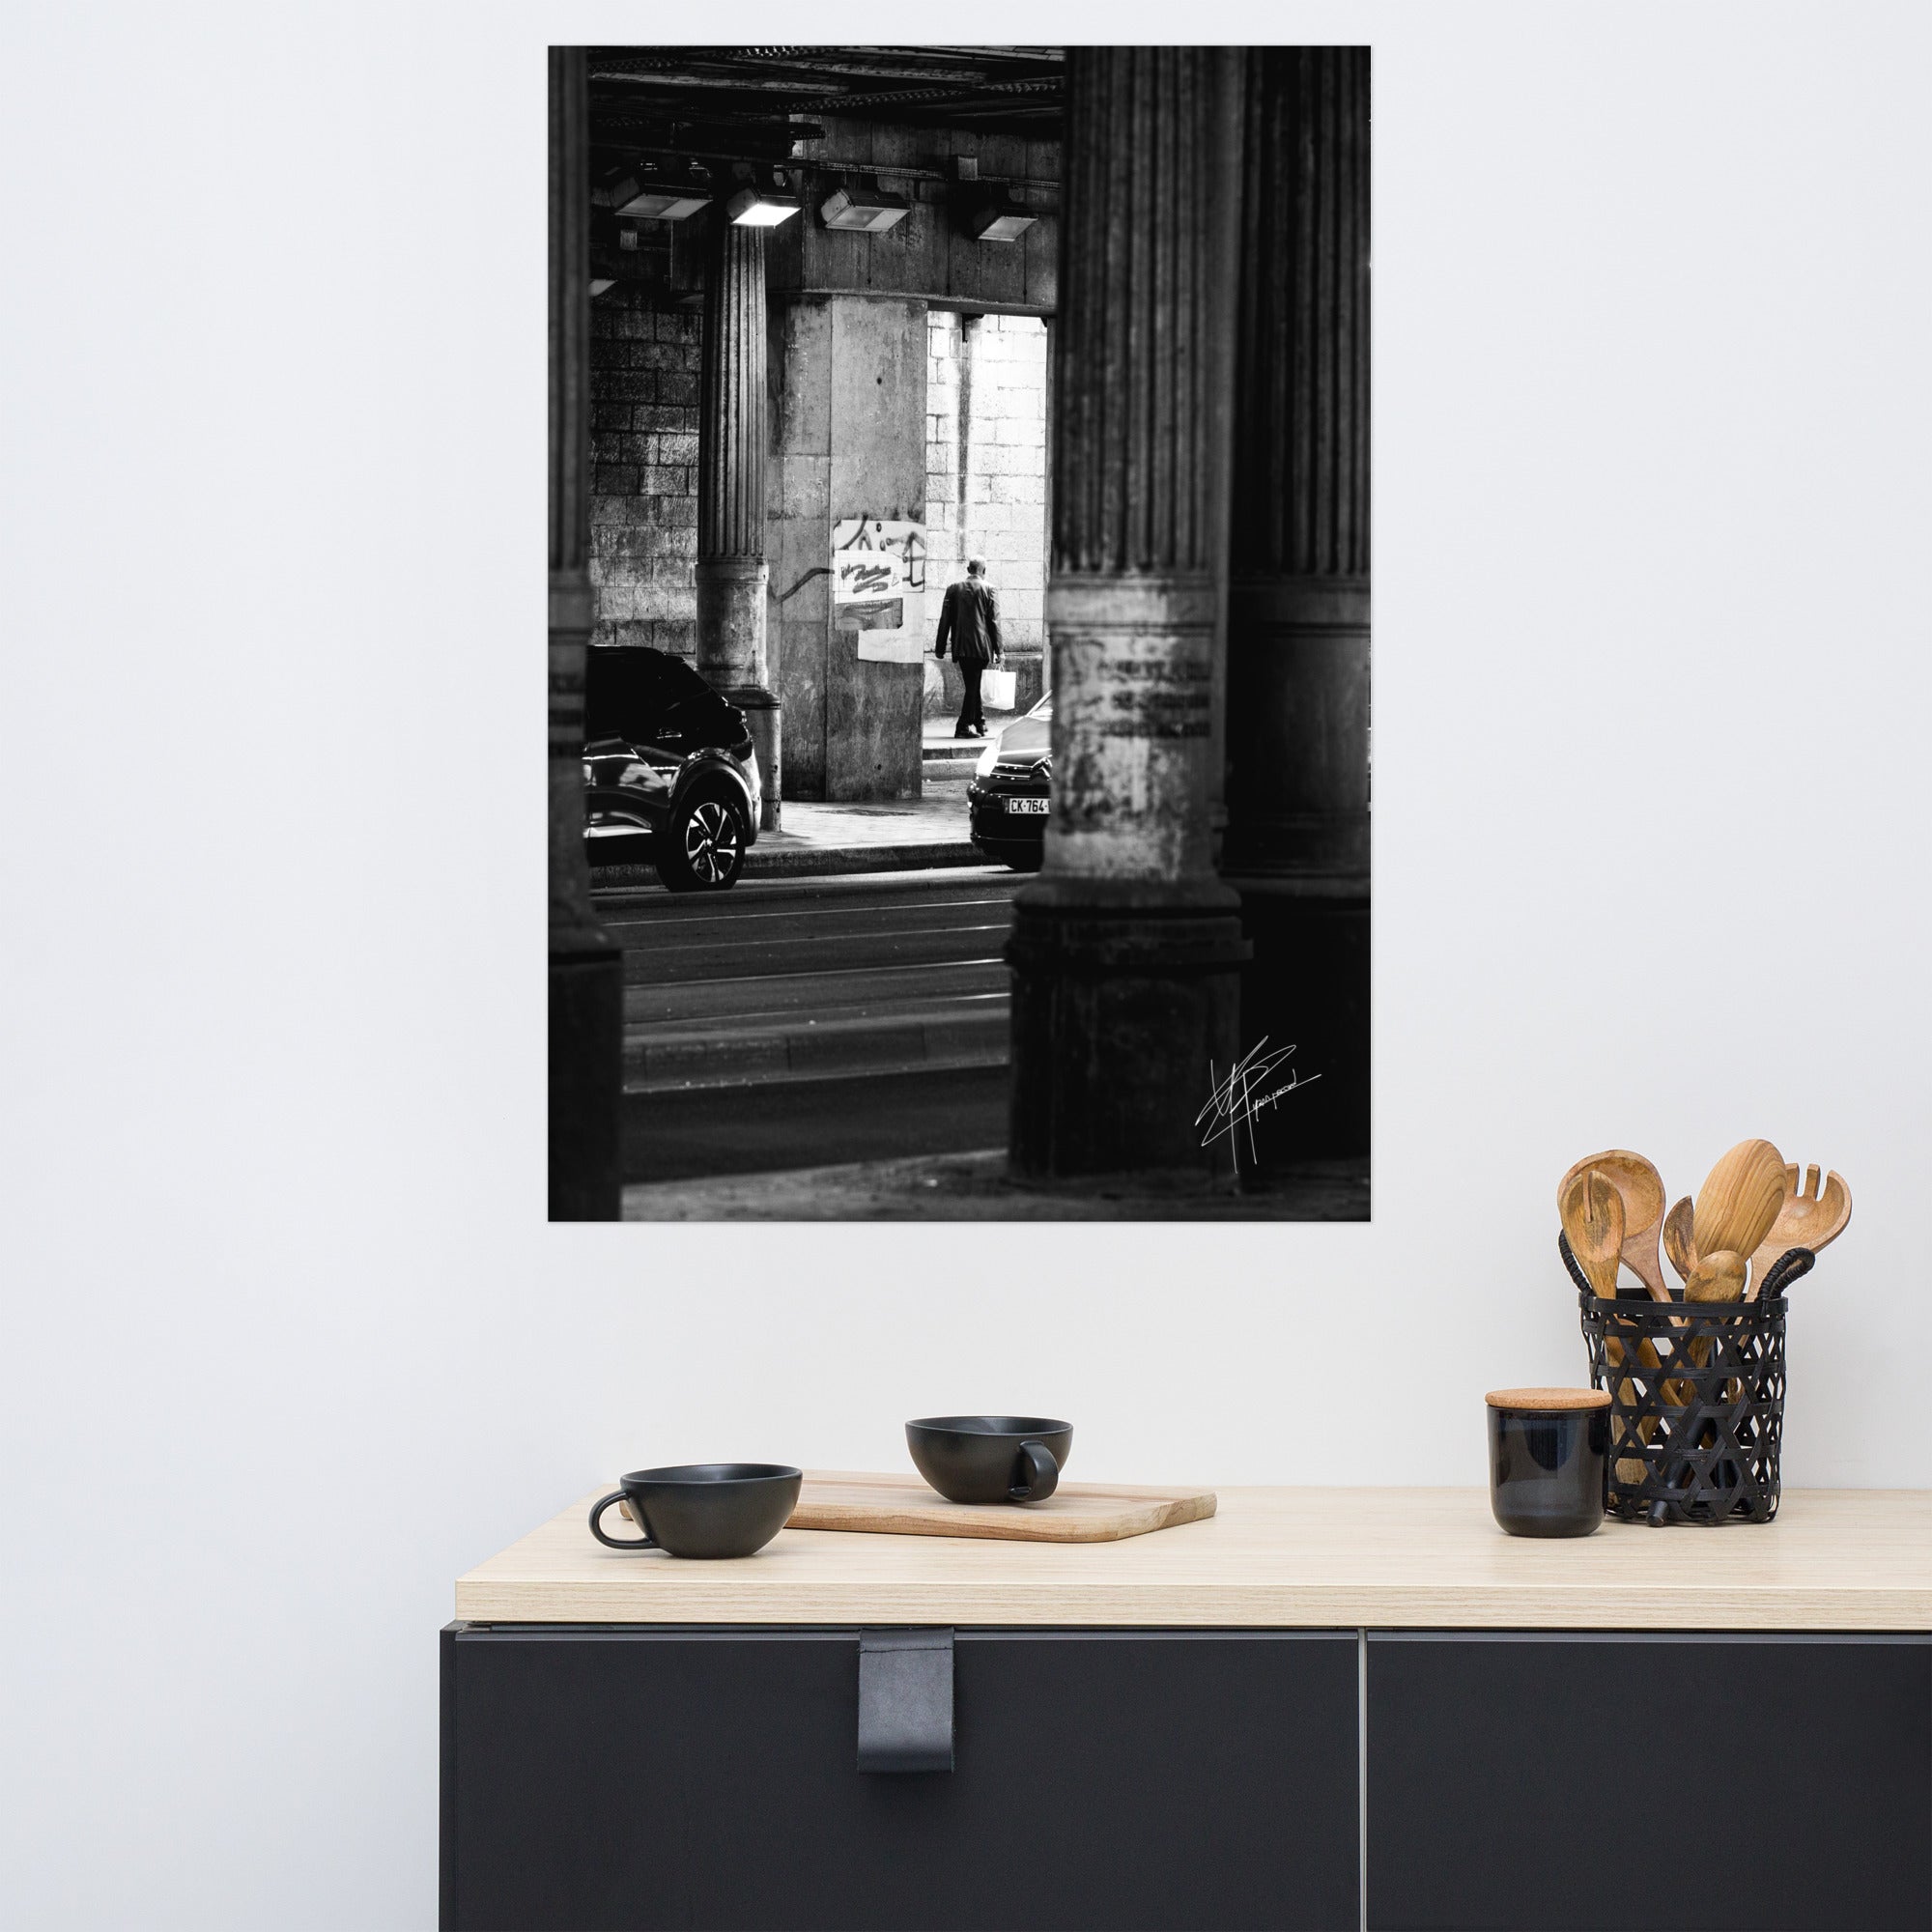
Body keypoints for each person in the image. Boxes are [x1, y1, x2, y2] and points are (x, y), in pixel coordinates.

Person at [932, 556, 1003, 738]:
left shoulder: (953, 589)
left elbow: (944, 620)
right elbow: (994, 623)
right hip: (981, 648)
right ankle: (963, 726)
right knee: (973, 686)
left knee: (973, 684)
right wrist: (999, 651)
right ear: (984, 571)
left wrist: (940, 648)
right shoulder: (990, 589)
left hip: (961, 647)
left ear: (968, 569)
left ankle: (980, 721)